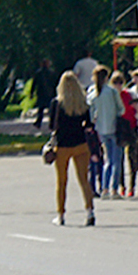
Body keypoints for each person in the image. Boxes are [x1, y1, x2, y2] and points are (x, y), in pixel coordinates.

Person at [47, 71, 97, 226]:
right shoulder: (83, 103)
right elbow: (88, 126)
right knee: (84, 179)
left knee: (62, 181)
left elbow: (51, 126)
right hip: (81, 145)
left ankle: (61, 215)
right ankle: (90, 212)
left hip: (62, 146)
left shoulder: (57, 103)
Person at [89, 66, 125, 198]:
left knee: (108, 160)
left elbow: (91, 114)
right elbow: (121, 109)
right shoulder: (112, 92)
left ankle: (104, 188)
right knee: (117, 160)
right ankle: (114, 189)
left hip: (101, 130)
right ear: (106, 78)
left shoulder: (92, 92)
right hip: (114, 128)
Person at [30, 58, 55, 129]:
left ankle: (38, 122)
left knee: (40, 109)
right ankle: (51, 122)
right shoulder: (51, 73)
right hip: (49, 93)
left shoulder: (38, 73)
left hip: (41, 93)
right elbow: (54, 83)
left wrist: (31, 93)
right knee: (50, 109)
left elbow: (34, 84)